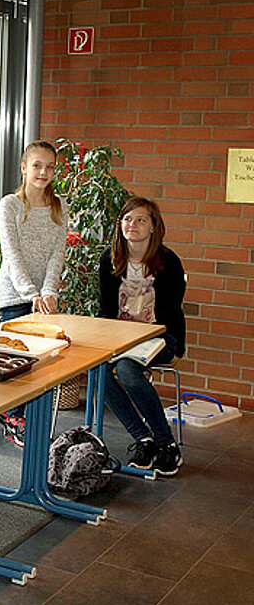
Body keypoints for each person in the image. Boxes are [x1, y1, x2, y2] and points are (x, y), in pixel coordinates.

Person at [98, 196, 185, 476]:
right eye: (127, 219)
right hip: (121, 337)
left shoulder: (168, 262)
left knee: (127, 370)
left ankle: (166, 443)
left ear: (153, 227)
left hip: (160, 336)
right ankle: (143, 439)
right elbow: (106, 309)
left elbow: (170, 313)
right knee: (97, 371)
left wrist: (139, 338)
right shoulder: (109, 259)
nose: (132, 225)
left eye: (140, 220)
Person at [0, 140, 67, 447]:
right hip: (15, 297)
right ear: (24, 168)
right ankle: (12, 418)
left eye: (49, 167)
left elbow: (57, 255)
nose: (43, 172)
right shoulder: (10, 204)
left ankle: (17, 417)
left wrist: (48, 292)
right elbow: (12, 255)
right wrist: (30, 293)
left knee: (42, 365)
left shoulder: (58, 207)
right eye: (37, 165)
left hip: (43, 301)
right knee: (18, 365)